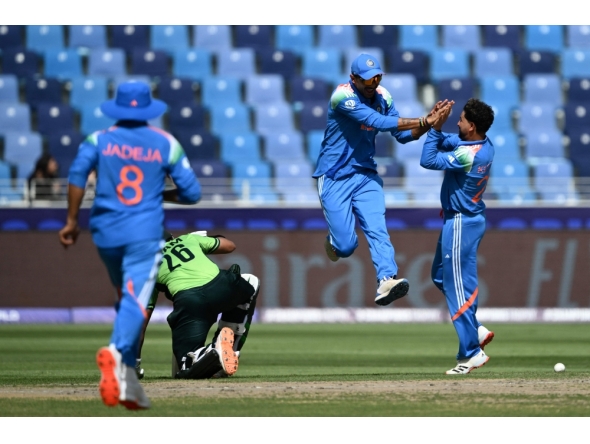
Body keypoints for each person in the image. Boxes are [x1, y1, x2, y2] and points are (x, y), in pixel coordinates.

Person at [58, 81, 202, 410]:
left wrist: (70, 220)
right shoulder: (166, 144)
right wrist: (159, 194)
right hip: (143, 233)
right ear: (149, 109)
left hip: (104, 231)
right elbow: (192, 193)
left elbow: (77, 175)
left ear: (117, 109)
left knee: (125, 295)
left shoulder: (99, 139)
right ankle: (118, 358)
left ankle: (128, 379)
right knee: (135, 297)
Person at [313, 53, 453, 306]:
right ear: (353, 78)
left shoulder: (384, 96)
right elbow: (376, 121)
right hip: (334, 175)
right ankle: (334, 243)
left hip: (366, 175)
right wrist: (424, 120)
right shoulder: (342, 96)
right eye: (367, 78)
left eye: (376, 76)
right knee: (345, 247)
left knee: (378, 229)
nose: (373, 82)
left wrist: (429, 125)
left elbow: (402, 136)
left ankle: (386, 279)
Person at [419, 98, 496, 375]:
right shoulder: (484, 145)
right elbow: (451, 142)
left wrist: (435, 129)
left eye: (461, 120)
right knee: (440, 276)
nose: (457, 122)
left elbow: (427, 160)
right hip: (464, 219)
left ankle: (471, 353)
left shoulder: (469, 154)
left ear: (472, 126)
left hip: (461, 221)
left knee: (458, 287)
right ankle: (476, 331)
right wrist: (433, 124)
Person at [136, 230, 260, 380]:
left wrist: (134, 363)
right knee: (249, 282)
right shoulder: (188, 239)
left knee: (187, 366)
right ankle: (228, 351)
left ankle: (211, 351)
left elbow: (139, 323)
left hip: (191, 301)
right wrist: (203, 239)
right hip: (223, 285)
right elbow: (229, 246)